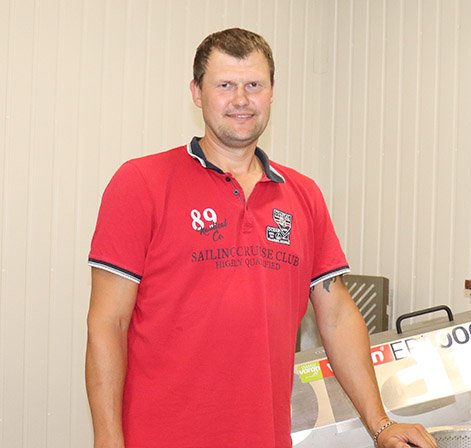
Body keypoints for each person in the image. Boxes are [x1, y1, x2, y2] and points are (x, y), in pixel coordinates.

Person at [85, 27, 437, 448]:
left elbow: (337, 316)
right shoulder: (141, 183)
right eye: (225, 85)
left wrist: (381, 424)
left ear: (271, 93)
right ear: (197, 92)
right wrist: (107, 440)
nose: (240, 99)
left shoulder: (302, 195)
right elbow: (108, 324)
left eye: (254, 85)